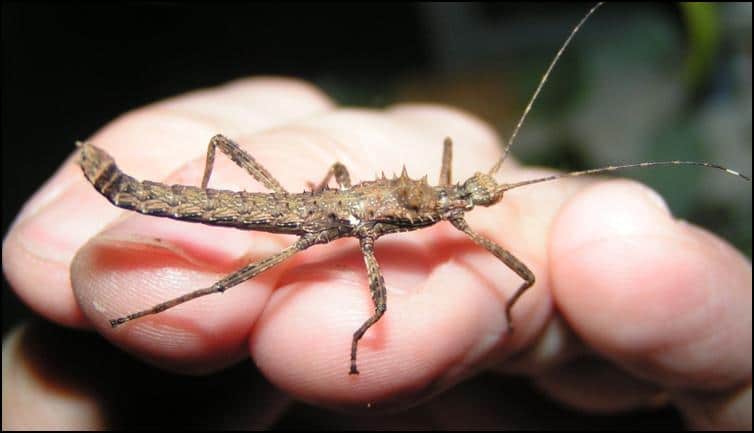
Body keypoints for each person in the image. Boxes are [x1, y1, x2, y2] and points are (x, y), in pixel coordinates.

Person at [3, 78, 750, 429]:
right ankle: (151, 293)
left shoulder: (431, 209)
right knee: (225, 278)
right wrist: (365, 336)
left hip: (319, 214)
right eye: (469, 198)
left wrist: (523, 299)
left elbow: (515, 269)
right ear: (447, 204)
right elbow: (386, 302)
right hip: (301, 217)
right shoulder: (402, 225)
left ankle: (151, 285)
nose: (477, 201)